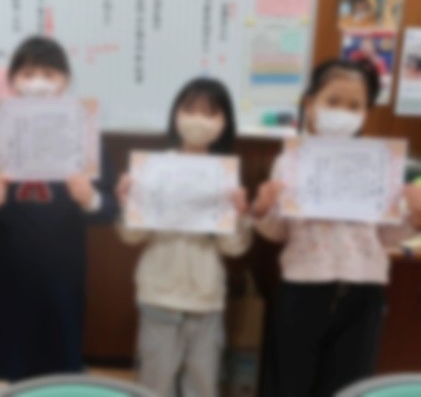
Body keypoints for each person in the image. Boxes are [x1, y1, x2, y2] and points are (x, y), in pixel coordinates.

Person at [253, 59, 421, 397]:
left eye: (354, 106)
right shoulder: (290, 161)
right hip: (302, 289)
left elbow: (384, 235)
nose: (343, 112)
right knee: (290, 384)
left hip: (363, 292)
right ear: (310, 104)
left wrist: (414, 219)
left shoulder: (380, 162)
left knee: (349, 387)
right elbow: (278, 232)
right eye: (333, 101)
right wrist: (263, 209)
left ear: (366, 112)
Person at [0, 35, 119, 381]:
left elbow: (111, 209)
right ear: (13, 81)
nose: (38, 82)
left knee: (60, 361)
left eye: (49, 74)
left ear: (66, 81)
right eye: (28, 74)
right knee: (15, 362)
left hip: (63, 270)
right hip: (9, 270)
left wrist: (90, 199)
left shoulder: (85, 135)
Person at [116, 77, 250, 397]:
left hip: (206, 298)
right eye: (190, 109)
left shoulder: (225, 175)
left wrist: (239, 216)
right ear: (176, 114)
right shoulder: (154, 169)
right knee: (155, 385)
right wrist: (127, 203)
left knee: (202, 385)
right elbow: (132, 237)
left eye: (210, 112)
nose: (198, 119)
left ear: (225, 122)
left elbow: (232, 248)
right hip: (158, 294)